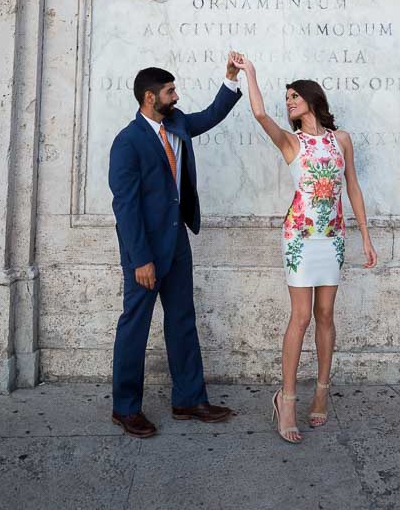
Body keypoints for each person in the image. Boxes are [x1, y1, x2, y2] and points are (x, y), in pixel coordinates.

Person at [233, 54, 377, 443]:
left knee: (326, 314)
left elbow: (353, 187)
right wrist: (250, 71)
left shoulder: (340, 140)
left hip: (332, 237)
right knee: (301, 318)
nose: (289, 102)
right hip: (299, 236)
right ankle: (287, 399)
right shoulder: (290, 142)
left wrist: (364, 235)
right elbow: (262, 115)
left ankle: (321, 394)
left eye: (294, 96)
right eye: (287, 98)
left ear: (312, 99)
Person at [109, 54, 242, 437]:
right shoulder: (127, 142)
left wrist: (230, 79)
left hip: (178, 243)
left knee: (183, 321)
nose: (176, 95)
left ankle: (188, 399)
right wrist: (141, 259)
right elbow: (126, 207)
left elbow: (211, 114)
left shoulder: (178, 123)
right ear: (150, 98)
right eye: (170, 91)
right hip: (145, 252)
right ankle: (125, 407)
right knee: (135, 326)